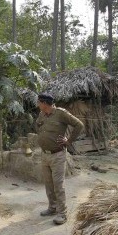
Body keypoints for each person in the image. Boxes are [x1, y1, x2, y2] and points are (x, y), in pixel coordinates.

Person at [35, 93, 84, 225]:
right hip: (44, 154)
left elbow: (79, 125)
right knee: (48, 183)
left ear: (44, 103)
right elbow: (38, 127)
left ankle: (62, 213)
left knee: (58, 184)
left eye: (39, 102)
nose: (37, 104)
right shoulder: (42, 114)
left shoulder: (61, 113)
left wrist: (69, 141)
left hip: (57, 155)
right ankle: (52, 208)